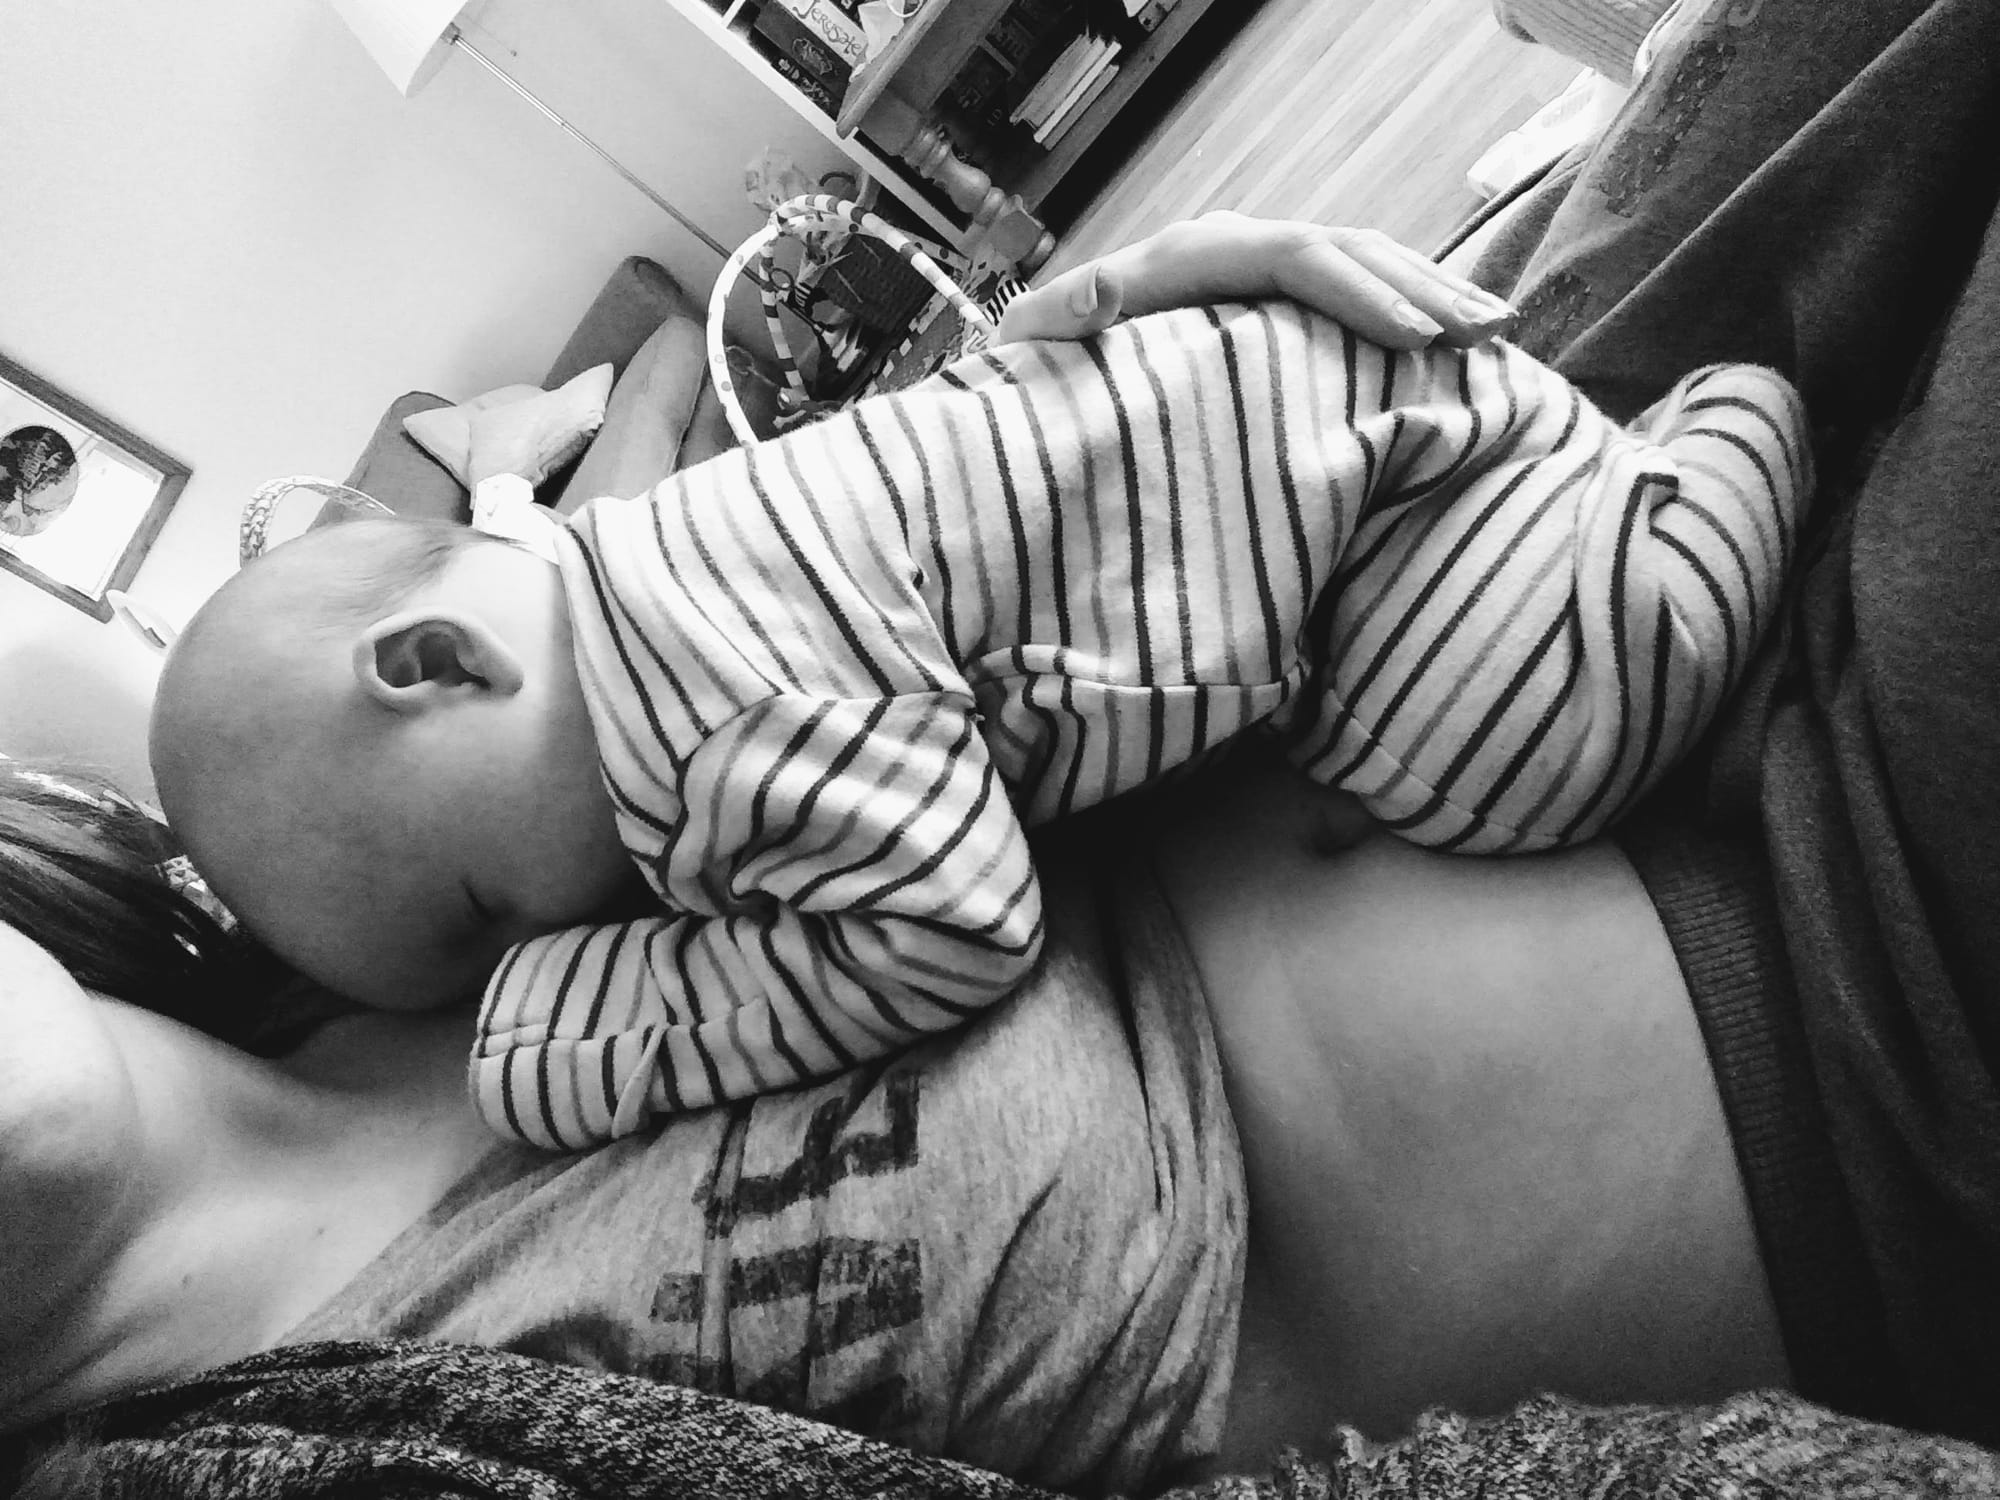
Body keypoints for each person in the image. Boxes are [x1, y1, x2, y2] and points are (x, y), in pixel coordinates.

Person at [6, 0, 1998, 1488]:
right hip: (1853, 995)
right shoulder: (282, 1420)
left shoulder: (351, 876)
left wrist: (1072, 349)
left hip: (1458, 505)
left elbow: (622, 516)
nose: (534, 926)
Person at [148, 276, 1803, 1152]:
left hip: (1375, 499)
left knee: (1504, 762)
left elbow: (955, 922)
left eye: (482, 909)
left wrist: (576, 1024)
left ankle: (1732, 437)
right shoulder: (650, 564)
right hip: (1292, 428)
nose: (544, 930)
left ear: (445, 666)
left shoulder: (702, 712)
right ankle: (1631, 456)